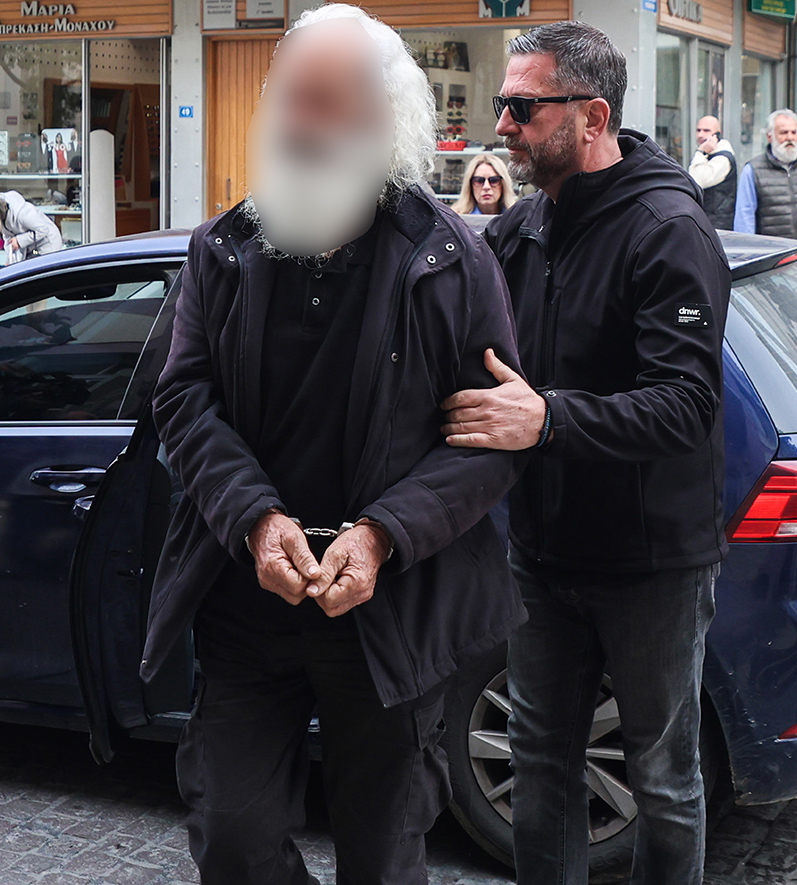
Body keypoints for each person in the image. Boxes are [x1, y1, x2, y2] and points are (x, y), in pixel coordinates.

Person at [141, 7, 528, 882]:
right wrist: (254, 517)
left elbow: (492, 439)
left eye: (325, 105)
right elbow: (183, 399)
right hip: (251, 599)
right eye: (289, 99)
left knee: (383, 853)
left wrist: (384, 533)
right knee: (232, 836)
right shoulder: (223, 248)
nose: (300, 124)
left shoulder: (453, 261)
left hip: (390, 610)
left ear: (382, 122)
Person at [438, 21, 731, 884]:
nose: (503, 124)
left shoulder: (668, 228)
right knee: (539, 764)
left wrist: (548, 421)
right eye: (502, 104)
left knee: (664, 780)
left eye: (523, 107)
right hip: (541, 554)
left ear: (592, 116)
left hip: (651, 564)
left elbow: (686, 404)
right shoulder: (524, 226)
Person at [734, 108, 797, 238]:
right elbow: (745, 217)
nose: (790, 138)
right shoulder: (753, 170)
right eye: (784, 133)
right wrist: (747, 247)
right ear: (769, 137)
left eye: (794, 132)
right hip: (773, 248)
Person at [688, 114, 737, 230]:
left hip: (717, 224)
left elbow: (696, 181)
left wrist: (700, 152)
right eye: (698, 130)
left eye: (706, 131)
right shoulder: (709, 154)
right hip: (706, 220)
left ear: (717, 134)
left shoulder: (722, 159)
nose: (700, 135)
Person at [0, 191, 62, 259]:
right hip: (32, 248)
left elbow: (43, 229)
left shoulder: (23, 214)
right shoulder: (4, 220)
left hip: (48, 244)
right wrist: (9, 260)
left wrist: (19, 240)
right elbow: (8, 240)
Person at [452, 151, 517, 215]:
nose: (486, 187)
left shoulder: (515, 216)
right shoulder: (456, 217)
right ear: (470, 185)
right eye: (479, 181)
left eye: (494, 180)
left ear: (503, 184)